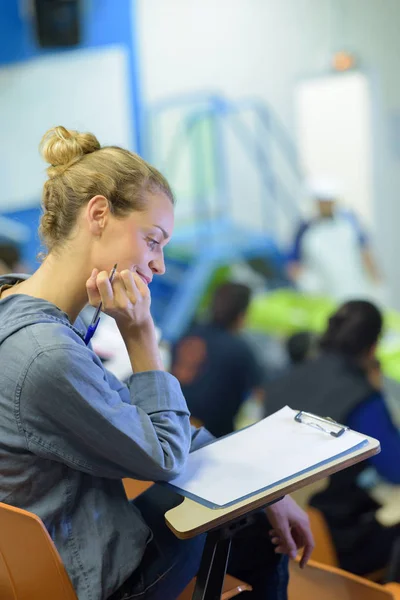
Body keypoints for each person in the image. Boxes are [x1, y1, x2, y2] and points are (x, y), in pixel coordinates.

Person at [0, 126, 313, 600]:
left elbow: (121, 410)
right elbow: (163, 457)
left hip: (39, 557)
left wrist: (266, 487)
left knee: (250, 499)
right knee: (248, 523)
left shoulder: (14, 304)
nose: (160, 264)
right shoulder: (48, 354)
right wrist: (141, 337)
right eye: (153, 240)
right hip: (92, 578)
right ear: (99, 214)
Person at [265, 300, 400, 577]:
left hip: (272, 533)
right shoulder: (361, 396)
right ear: (372, 347)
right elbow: (396, 469)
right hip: (331, 539)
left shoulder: (281, 381)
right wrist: (377, 389)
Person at [171, 282, 264, 438]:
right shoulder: (241, 351)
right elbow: (260, 396)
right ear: (242, 315)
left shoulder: (189, 333)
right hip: (208, 435)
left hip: (169, 417)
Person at [287, 178, 381, 303]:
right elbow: (293, 263)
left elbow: (365, 253)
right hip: (320, 295)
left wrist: (377, 284)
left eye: (328, 201)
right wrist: (306, 282)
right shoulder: (305, 228)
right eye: (322, 201)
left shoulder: (349, 223)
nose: (325, 205)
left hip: (353, 289)